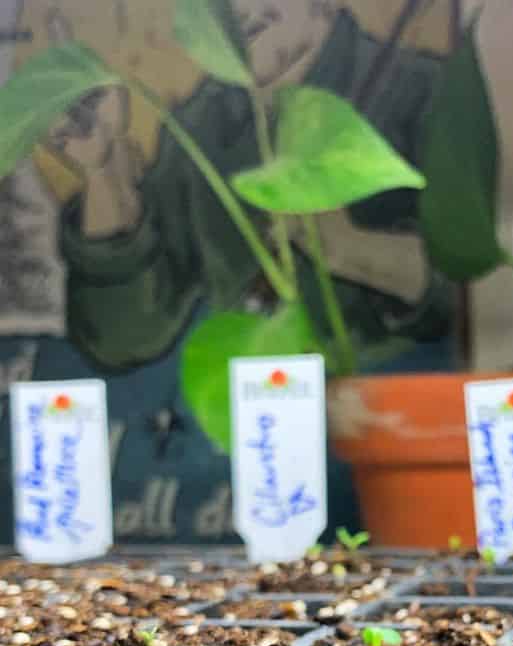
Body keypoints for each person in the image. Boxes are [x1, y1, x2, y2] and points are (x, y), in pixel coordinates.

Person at [45, 0, 451, 372]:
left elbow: (485, 295)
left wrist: (352, 250)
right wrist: (102, 175)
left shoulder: (425, 91)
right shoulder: (199, 125)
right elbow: (124, 340)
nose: (236, 9)